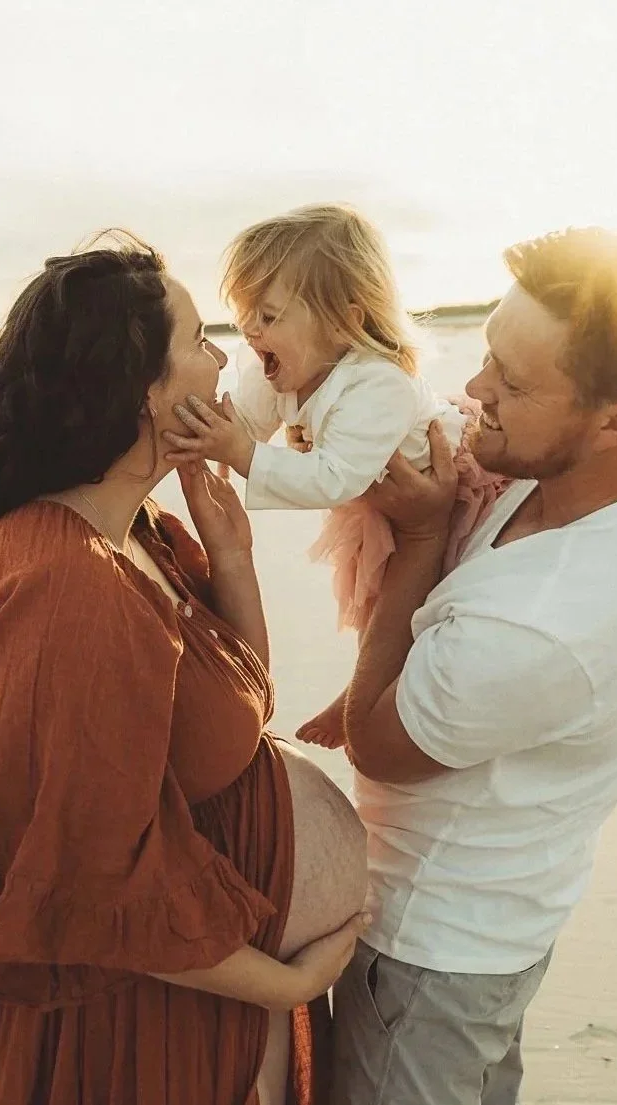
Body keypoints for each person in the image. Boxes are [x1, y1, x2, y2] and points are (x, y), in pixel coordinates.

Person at [0, 233, 370, 1105]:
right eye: (199, 340)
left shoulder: (136, 531)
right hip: (142, 1019)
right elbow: (89, 877)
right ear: (144, 388)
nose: (224, 358)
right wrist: (284, 985)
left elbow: (241, 712)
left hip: (204, 984)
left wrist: (234, 561)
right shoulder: (64, 580)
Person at [330, 227, 617, 1105]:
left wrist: (420, 541)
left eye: (512, 384)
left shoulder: (546, 622)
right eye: (487, 358)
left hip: (432, 946)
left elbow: (377, 744)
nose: (474, 394)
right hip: (512, 910)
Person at [162, 204, 506, 752]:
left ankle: (369, 691)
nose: (251, 331)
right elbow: (245, 426)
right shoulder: (279, 370)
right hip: (375, 495)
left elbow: (332, 480)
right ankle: (361, 684)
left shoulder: (378, 382)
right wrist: (215, 441)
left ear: (345, 322)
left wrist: (246, 454)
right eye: (247, 314)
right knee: (380, 600)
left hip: (454, 489)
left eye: (269, 316)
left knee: (425, 603)